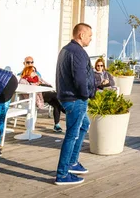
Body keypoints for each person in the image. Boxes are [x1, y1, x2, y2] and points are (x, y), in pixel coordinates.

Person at [55, 23, 95, 186]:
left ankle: (72, 162)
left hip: (68, 97)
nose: (91, 39)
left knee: (85, 124)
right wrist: (86, 94)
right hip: (75, 99)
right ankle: (62, 174)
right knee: (72, 135)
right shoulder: (78, 52)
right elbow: (79, 78)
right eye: (90, 35)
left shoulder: (66, 50)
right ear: (81, 35)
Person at [19, 64, 65, 132]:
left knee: (56, 104)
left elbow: (49, 85)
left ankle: (57, 125)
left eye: (35, 71)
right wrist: (36, 84)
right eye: (33, 71)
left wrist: (41, 83)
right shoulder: (23, 80)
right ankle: (67, 111)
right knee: (56, 96)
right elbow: (28, 90)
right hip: (34, 98)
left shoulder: (37, 78)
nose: (35, 72)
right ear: (28, 71)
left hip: (44, 95)